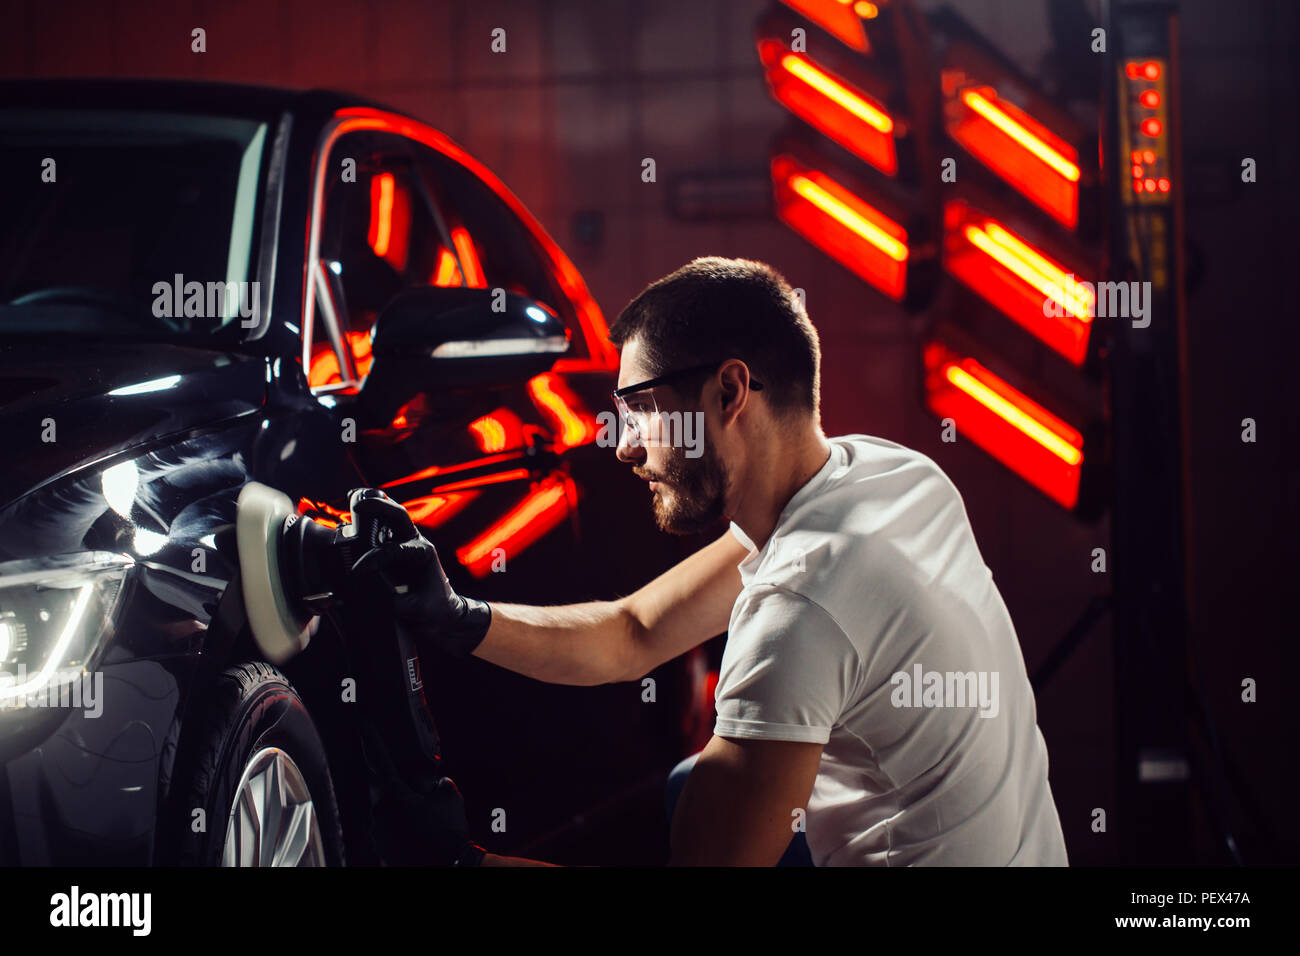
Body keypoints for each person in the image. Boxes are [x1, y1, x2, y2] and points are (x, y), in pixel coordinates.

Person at [361, 256, 1069, 867]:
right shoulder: (891, 473)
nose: (626, 447)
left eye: (642, 410)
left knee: (703, 802)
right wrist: (457, 616)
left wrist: (460, 862)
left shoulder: (801, 608)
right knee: (689, 787)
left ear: (729, 392)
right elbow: (634, 631)